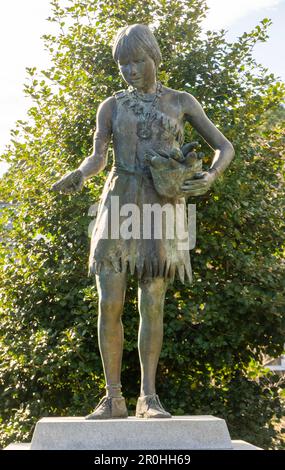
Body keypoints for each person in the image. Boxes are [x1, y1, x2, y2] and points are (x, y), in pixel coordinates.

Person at [51, 24, 234, 419]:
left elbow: (224, 146)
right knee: (109, 301)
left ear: (154, 57)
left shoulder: (181, 101)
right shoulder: (111, 106)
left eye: (137, 61)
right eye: (123, 64)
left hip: (162, 203)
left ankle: (148, 397)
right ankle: (113, 397)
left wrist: (212, 175)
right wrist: (80, 174)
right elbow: (98, 156)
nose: (130, 70)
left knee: (152, 300)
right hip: (119, 201)